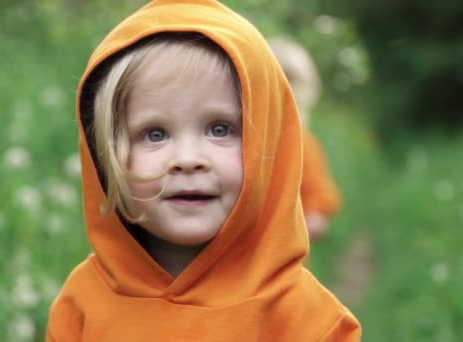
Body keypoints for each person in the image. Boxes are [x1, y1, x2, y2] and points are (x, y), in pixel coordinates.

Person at [46, 1, 361, 341]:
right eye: (155, 134)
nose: (187, 159)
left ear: (270, 144)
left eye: (220, 129)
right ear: (105, 157)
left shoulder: (307, 321)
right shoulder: (82, 304)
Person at [269, 37, 343, 241]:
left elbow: (315, 185)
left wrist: (314, 214)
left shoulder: (302, 143)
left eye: (290, 82)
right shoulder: (241, 135)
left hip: (283, 245)